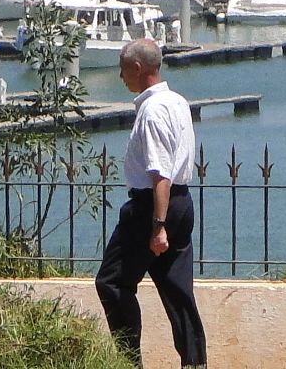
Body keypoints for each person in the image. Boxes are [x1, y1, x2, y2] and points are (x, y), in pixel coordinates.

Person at [96, 38, 206, 368]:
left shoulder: (153, 110)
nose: (120, 77)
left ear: (138, 68)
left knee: (112, 282)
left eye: (123, 70)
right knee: (178, 291)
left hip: (152, 207)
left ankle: (129, 362)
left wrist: (158, 226)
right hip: (181, 203)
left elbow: (160, 174)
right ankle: (195, 363)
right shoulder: (177, 102)